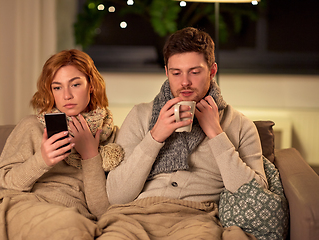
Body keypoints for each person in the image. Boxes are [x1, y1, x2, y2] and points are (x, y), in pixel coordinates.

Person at [96, 27, 268, 239]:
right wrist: (155, 137)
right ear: (167, 72)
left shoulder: (240, 125)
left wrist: (216, 134)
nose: (184, 82)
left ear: (212, 71)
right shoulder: (141, 115)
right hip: (134, 216)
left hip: (196, 219)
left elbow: (254, 195)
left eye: (194, 72)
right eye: (176, 73)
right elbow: (117, 195)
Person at [0, 49, 123, 240]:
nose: (67, 95)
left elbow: (103, 211)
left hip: (74, 219)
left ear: (91, 85)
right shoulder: (32, 126)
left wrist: (90, 156)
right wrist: (42, 160)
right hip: (24, 209)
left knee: (71, 227)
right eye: (57, 87)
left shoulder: (110, 137)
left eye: (75, 84)